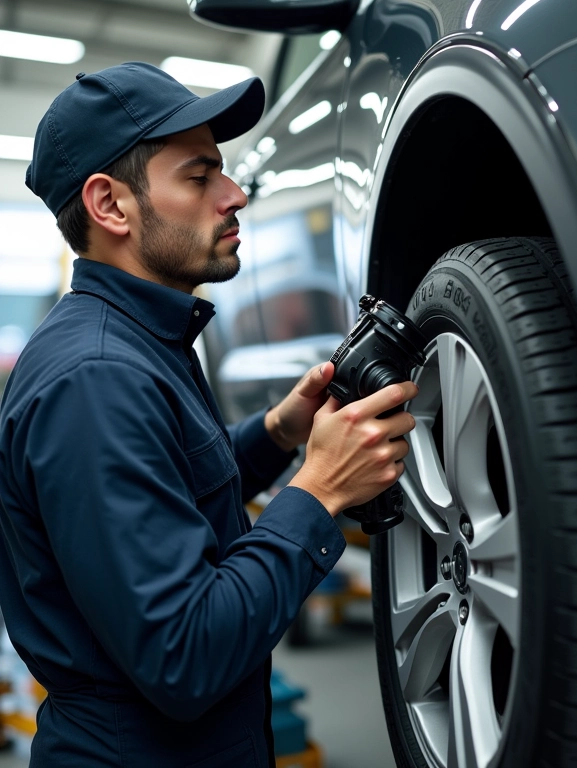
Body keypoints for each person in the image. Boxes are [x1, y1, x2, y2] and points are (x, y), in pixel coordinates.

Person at [0, 62, 418, 767]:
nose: (236, 194)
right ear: (110, 206)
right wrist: (315, 494)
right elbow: (184, 656)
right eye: (199, 177)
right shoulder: (95, 380)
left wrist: (278, 434)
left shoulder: (136, 340)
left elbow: (163, 484)